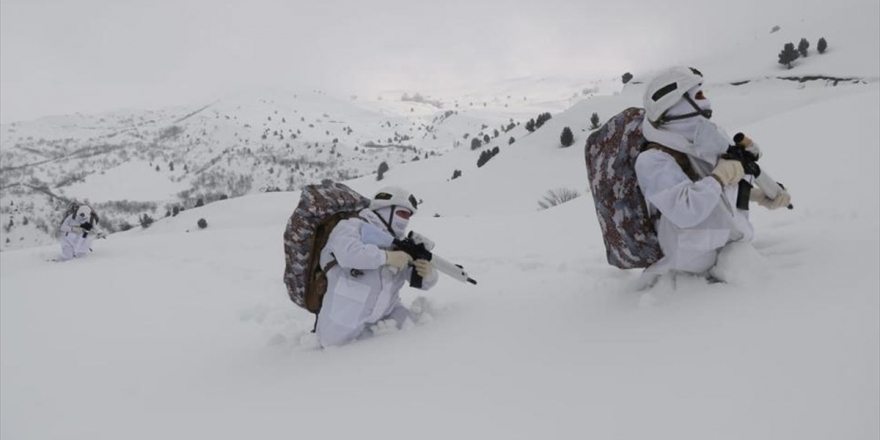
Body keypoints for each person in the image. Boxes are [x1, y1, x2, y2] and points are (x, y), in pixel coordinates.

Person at [634, 66, 791, 283]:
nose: (706, 101)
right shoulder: (652, 160)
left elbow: (725, 181)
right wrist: (719, 177)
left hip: (728, 244)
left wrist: (754, 195)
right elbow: (686, 209)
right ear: (674, 103)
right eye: (698, 95)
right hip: (692, 262)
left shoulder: (706, 137)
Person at [315, 186, 438, 347]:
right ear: (385, 209)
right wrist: (387, 257)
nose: (405, 220)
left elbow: (418, 281)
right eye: (402, 213)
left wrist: (429, 274)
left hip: (386, 317)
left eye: (408, 216)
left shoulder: (400, 243)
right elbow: (348, 254)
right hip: (342, 323)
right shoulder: (351, 227)